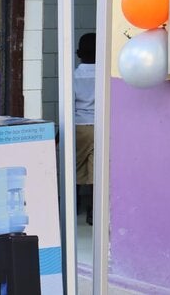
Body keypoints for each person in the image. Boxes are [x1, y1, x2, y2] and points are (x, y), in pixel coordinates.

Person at [74, 32, 95, 226]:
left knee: (76, 169)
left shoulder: (74, 76)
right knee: (96, 171)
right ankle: (93, 212)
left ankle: (74, 206)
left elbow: (69, 106)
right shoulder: (105, 76)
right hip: (100, 127)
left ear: (78, 53)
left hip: (79, 126)